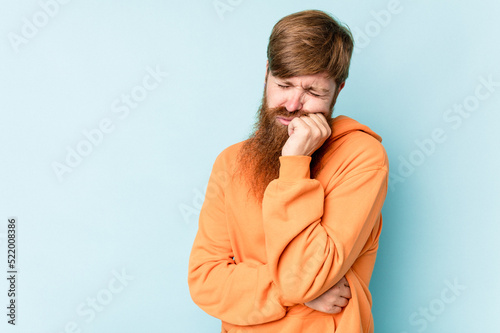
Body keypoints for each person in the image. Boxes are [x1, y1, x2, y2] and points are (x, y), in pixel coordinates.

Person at [188, 9, 388, 333]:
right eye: (283, 85)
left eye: (313, 92)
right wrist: (288, 292)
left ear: (338, 90)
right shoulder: (230, 163)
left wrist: (295, 163)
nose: (293, 104)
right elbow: (205, 280)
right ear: (267, 73)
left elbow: (305, 277)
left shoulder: (362, 157)